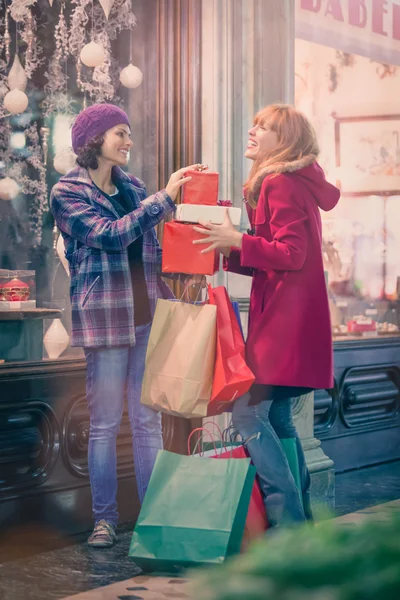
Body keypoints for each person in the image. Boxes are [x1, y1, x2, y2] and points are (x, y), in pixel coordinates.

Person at [51, 103, 200, 547]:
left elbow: (151, 245)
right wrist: (166, 197)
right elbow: (111, 234)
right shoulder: (67, 192)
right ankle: (104, 520)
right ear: (94, 140)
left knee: (146, 420)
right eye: (119, 133)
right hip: (105, 320)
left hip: (146, 317)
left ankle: (154, 516)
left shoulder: (132, 186)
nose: (128, 142)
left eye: (129, 134)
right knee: (103, 424)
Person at [193, 103, 340, 528]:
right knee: (275, 416)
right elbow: (277, 255)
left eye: (265, 128)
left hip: (283, 324)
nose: (253, 131)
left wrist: (237, 239)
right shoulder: (291, 182)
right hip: (292, 321)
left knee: (246, 413)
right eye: (254, 123)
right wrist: (231, 247)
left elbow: (292, 255)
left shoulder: (278, 182)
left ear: (286, 141)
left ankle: (289, 523)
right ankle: (302, 521)